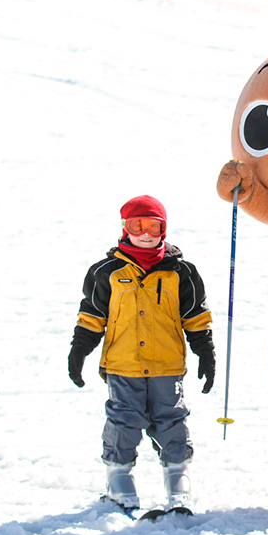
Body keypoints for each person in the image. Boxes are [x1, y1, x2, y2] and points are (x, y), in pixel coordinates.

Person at [67, 195, 215, 513]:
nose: (145, 234)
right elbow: (92, 315)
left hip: (167, 366)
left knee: (172, 422)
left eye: (153, 226)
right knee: (123, 422)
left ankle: (178, 482)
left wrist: (205, 351)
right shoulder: (106, 272)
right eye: (137, 226)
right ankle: (119, 482)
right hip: (123, 366)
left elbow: (195, 317)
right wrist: (79, 350)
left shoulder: (182, 272)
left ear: (163, 229)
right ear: (125, 228)